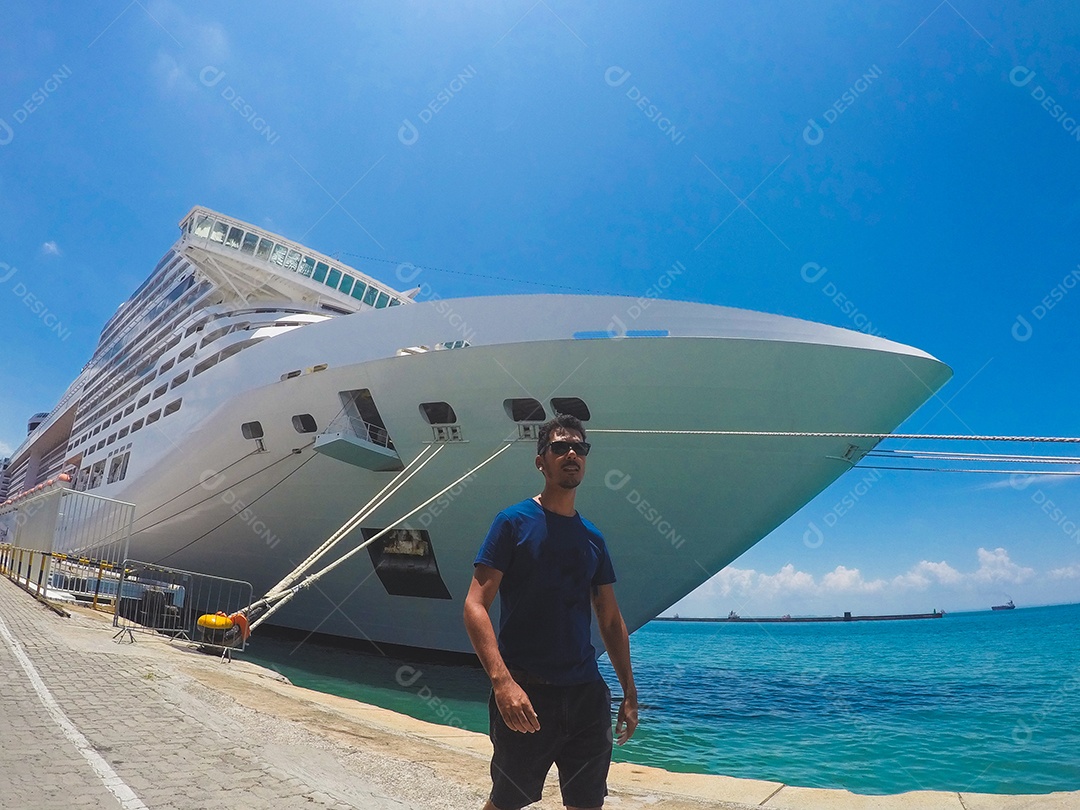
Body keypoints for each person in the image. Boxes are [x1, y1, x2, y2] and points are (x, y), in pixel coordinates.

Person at [463, 414, 638, 810]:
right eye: (560, 447)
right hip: (527, 693)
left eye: (580, 447)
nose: (572, 453)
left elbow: (610, 619)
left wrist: (629, 692)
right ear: (541, 461)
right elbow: (475, 605)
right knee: (507, 800)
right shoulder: (512, 523)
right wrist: (502, 683)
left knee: (587, 802)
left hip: (586, 696)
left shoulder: (593, 537)